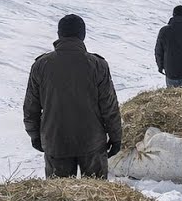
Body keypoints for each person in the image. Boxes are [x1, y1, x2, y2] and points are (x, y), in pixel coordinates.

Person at [23, 14, 122, 179]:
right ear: (83, 35)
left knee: (59, 194)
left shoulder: (41, 65)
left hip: (56, 142)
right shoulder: (98, 65)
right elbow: (109, 106)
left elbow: (30, 107)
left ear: (59, 34)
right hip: (92, 143)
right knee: (95, 192)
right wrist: (116, 137)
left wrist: (35, 135)